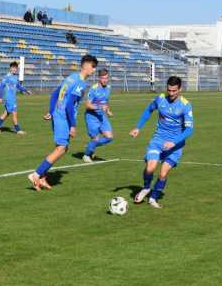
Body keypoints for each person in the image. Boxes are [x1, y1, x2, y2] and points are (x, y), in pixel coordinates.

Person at [28, 54, 98, 191]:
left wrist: (51, 111)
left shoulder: (71, 77)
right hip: (63, 118)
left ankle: (42, 177)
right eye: (93, 67)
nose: (94, 70)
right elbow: (70, 105)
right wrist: (72, 125)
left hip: (58, 115)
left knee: (61, 148)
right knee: (61, 148)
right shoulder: (80, 82)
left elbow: (55, 94)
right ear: (86, 65)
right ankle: (35, 174)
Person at [129, 76, 194, 208]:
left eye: (174, 91)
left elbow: (189, 129)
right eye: (169, 90)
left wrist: (174, 142)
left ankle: (153, 197)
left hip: (175, 145)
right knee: (150, 167)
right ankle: (146, 188)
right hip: (158, 139)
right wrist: (138, 127)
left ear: (180, 89)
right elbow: (148, 110)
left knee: (163, 173)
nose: (171, 93)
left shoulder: (185, 105)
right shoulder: (160, 98)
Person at [83, 69, 113, 163]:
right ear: (99, 78)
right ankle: (86, 155)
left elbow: (105, 101)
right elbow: (87, 105)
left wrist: (108, 110)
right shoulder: (93, 88)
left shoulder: (108, 88)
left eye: (107, 78)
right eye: (103, 78)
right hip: (91, 117)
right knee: (95, 138)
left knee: (109, 137)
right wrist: (100, 107)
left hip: (102, 116)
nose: (105, 80)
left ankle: (90, 146)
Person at [0, 61, 31, 135]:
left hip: (13, 98)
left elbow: (19, 86)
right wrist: (0, 97)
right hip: (9, 99)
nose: (14, 69)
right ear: (10, 68)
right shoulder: (7, 77)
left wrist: (26, 90)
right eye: (13, 68)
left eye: (16, 68)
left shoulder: (15, 77)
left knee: (6, 114)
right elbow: (1, 87)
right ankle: (18, 130)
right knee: (14, 113)